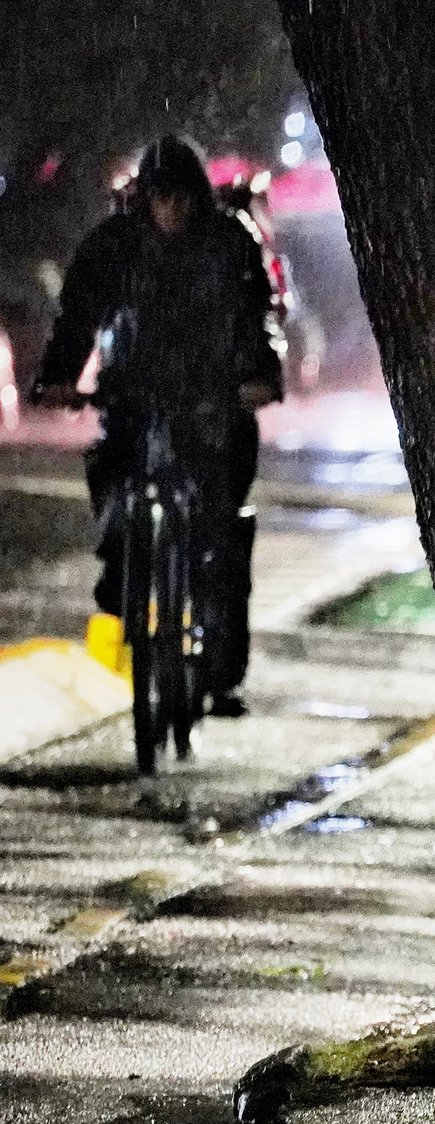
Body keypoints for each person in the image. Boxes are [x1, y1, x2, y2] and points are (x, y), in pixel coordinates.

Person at [31, 134, 283, 717]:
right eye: (159, 197)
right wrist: (59, 378)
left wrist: (258, 378)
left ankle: (220, 672)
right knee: (114, 486)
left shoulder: (230, 242)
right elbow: (77, 315)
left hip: (211, 401)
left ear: (196, 197)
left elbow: (256, 319)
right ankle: (121, 582)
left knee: (222, 533)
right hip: (133, 395)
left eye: (179, 198)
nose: (169, 210)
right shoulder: (113, 244)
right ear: (144, 198)